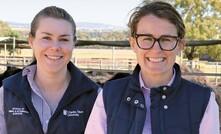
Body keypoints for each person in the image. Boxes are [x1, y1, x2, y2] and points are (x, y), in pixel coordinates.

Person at [85, 1, 220, 134]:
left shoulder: (203, 101)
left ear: (180, 45)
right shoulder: (108, 95)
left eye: (166, 39)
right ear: (133, 43)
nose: (156, 49)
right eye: (146, 39)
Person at [0, 6, 100, 134]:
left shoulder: (95, 96)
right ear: (31, 41)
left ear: (73, 43)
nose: (55, 47)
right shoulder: (7, 93)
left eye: (64, 39)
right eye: (46, 38)